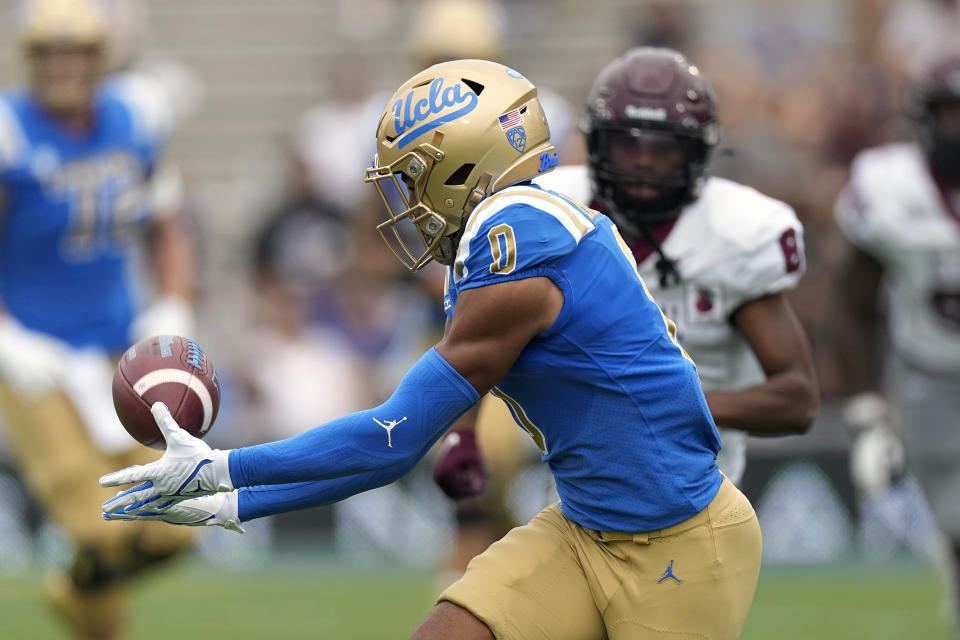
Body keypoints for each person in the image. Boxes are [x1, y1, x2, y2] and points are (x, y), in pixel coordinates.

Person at [100, 59, 762, 640]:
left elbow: (393, 440)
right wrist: (236, 499)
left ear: (468, 168)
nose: (405, 200)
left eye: (415, 175)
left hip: (678, 546)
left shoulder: (519, 255)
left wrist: (226, 474)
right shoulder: (501, 236)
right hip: (585, 527)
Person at [436, 47, 820, 496]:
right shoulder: (544, 215)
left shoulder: (735, 235)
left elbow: (797, 398)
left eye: (664, 147)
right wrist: (461, 431)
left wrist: (664, 405)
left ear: (696, 153)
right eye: (628, 142)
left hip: (692, 487)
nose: (643, 162)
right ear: (597, 143)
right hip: (570, 481)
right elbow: (475, 338)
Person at [0, 1, 197, 637]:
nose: (61, 68)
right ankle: (92, 608)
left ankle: (75, 596)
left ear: (98, 58)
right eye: (49, 55)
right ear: (30, 60)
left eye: (74, 53)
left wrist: (171, 301)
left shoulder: (134, 114)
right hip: (35, 353)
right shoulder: (9, 132)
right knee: (97, 524)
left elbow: (166, 221)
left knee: (182, 515)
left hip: (121, 345)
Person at [834, 45, 960, 634]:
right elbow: (852, 303)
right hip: (927, 376)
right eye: (952, 112)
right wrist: (866, 411)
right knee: (956, 524)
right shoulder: (889, 185)